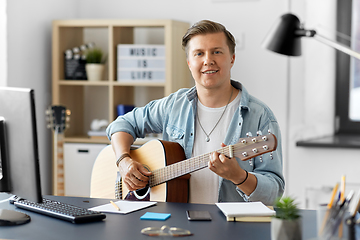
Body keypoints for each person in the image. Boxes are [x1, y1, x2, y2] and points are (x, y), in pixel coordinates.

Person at [106, 20, 284, 206]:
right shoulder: (174, 105)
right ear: (189, 63)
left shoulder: (260, 117)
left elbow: (275, 193)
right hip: (174, 226)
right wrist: (123, 161)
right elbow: (121, 125)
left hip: (230, 230)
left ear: (232, 58)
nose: (208, 60)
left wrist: (239, 176)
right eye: (199, 53)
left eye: (217, 51)